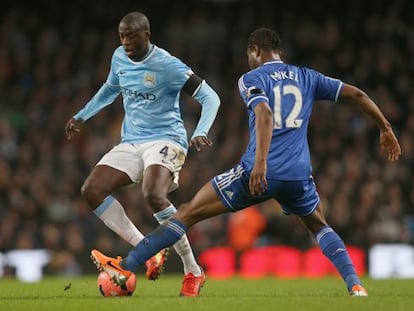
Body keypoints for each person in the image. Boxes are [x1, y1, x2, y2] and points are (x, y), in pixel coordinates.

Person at [90, 27, 401, 297]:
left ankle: (127, 265)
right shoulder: (307, 76)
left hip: (257, 171)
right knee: (318, 224)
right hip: (298, 175)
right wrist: (385, 129)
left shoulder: (251, 78)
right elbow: (358, 95)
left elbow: (264, 113)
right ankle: (356, 286)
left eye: (249, 54)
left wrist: (262, 164)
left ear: (256, 51)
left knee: (187, 213)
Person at [65, 11, 220, 297]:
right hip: (132, 141)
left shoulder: (167, 64)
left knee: (153, 194)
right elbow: (110, 89)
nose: (126, 41)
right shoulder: (119, 57)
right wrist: (82, 116)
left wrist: (201, 130)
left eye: (132, 36)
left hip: (167, 139)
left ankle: (193, 270)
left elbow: (210, 97)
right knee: (92, 189)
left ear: (146, 35)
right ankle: (148, 252)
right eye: (122, 36)